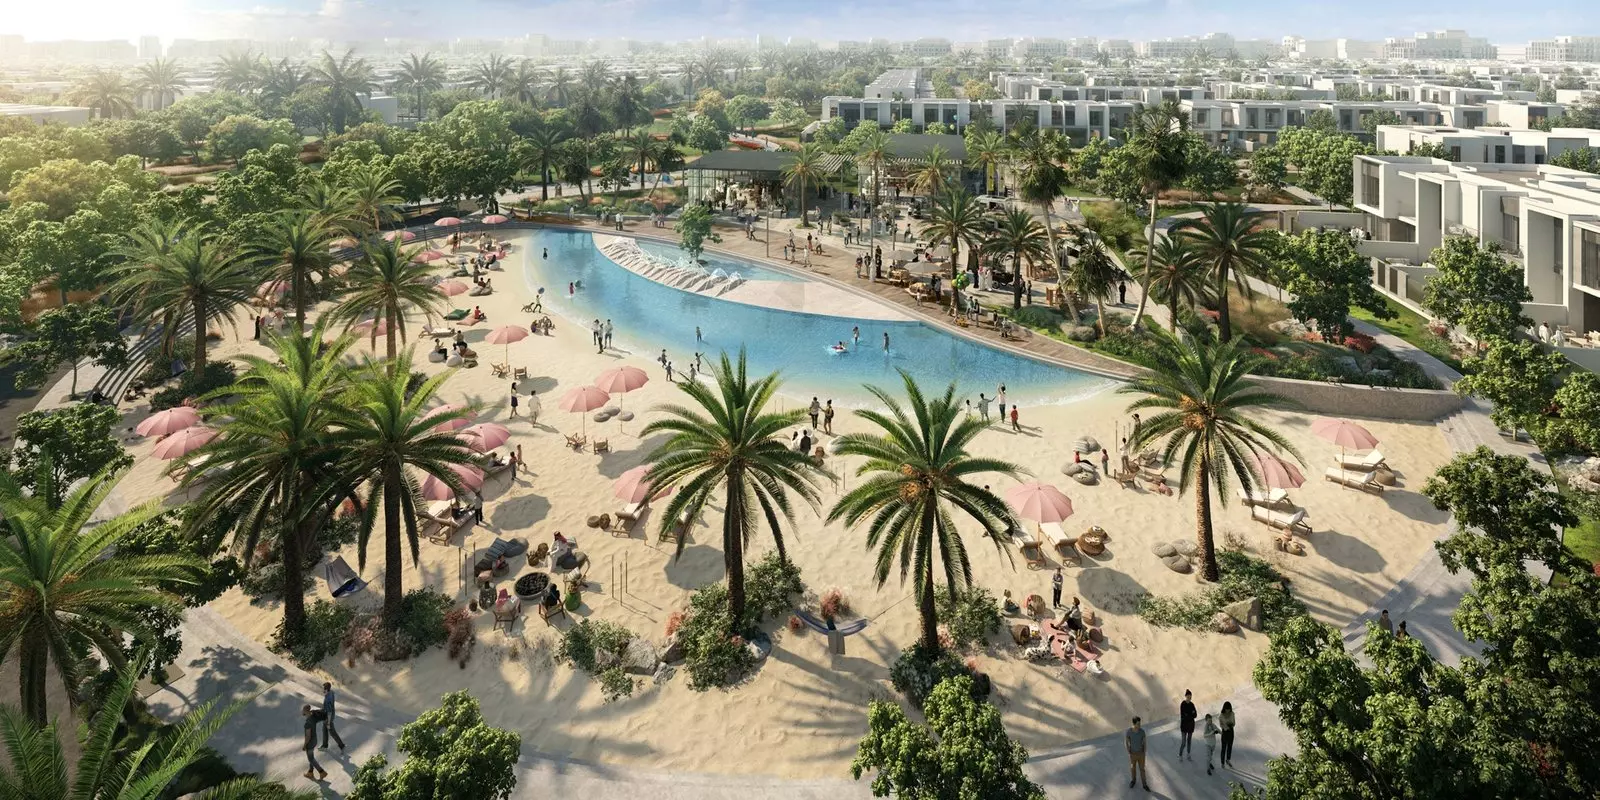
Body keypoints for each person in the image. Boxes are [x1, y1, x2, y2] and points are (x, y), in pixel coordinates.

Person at [302, 705, 328, 780]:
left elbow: (308, 736)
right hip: (315, 740)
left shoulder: (307, 723)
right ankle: (310, 772)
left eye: (303, 710)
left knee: (311, 759)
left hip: (310, 743)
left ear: (306, 711)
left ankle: (322, 772)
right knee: (311, 757)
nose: (302, 711)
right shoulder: (313, 717)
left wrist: (304, 745)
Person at [321, 682, 346, 752]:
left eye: (324, 689)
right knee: (324, 730)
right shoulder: (331, 693)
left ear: (327, 689)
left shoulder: (328, 699)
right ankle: (324, 745)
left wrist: (329, 722)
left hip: (328, 717)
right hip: (327, 716)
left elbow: (329, 711)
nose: (323, 690)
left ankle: (342, 745)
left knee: (332, 732)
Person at [1126, 716, 1149, 791]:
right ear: (1134, 724)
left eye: (1140, 723)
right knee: (1133, 768)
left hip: (1141, 754)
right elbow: (1126, 741)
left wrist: (1144, 752)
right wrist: (1128, 749)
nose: (1139, 725)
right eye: (1138, 724)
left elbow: (1144, 742)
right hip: (1133, 754)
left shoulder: (1142, 732)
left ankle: (1144, 784)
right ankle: (1133, 781)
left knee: (1142, 769)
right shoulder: (1129, 731)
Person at [1179, 690, 1197, 761]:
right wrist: (1191, 714)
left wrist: (1189, 715)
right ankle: (1180, 755)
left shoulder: (1192, 704)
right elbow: (1183, 715)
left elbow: (1195, 715)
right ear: (1186, 696)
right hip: (1184, 726)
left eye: (1190, 696)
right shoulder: (1183, 704)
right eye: (1188, 696)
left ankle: (1188, 754)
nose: (1189, 697)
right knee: (1183, 742)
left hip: (1191, 726)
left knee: (1189, 741)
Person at [1219, 701, 1236, 768]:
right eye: (1226, 709)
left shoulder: (1232, 714)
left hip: (1231, 731)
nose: (1227, 711)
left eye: (1229, 709)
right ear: (1224, 708)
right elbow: (1221, 724)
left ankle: (1228, 760)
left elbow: (1234, 723)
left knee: (1230, 746)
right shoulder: (1221, 715)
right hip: (1225, 732)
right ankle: (1222, 763)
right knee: (1223, 748)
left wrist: (1231, 725)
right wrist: (1225, 727)